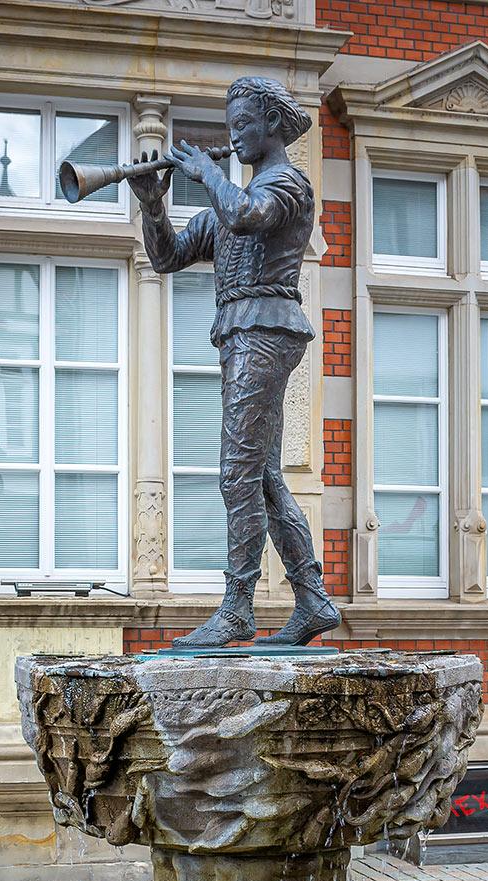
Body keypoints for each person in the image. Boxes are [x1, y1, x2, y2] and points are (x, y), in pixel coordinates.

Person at [131, 75, 341, 648]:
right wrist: (153, 203)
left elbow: (248, 213)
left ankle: (237, 608)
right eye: (231, 124)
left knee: (236, 471)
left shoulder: (288, 185)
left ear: (272, 123)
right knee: (265, 476)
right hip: (238, 334)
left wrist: (207, 174)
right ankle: (314, 602)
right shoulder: (227, 200)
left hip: (266, 330)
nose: (234, 133)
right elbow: (168, 255)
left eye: (243, 122)